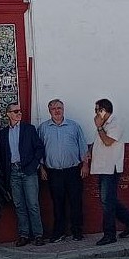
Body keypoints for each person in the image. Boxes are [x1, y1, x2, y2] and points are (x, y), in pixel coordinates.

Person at [37, 98, 89, 242]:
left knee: (75, 202)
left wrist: (85, 165)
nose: (57, 111)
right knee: (57, 203)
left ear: (63, 109)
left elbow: (83, 147)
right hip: (53, 173)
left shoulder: (74, 126)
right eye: (53, 109)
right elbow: (39, 151)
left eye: (59, 108)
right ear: (49, 111)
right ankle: (59, 232)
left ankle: (77, 231)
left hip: (73, 171)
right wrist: (41, 168)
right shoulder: (43, 128)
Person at [90, 98, 129, 246]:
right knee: (109, 201)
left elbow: (108, 141)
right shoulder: (104, 124)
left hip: (110, 168)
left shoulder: (115, 124)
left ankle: (109, 234)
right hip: (102, 168)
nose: (95, 113)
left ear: (103, 111)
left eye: (97, 110)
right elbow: (99, 143)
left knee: (107, 203)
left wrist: (99, 128)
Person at [0, 102, 46, 247]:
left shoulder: (29, 129)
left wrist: (33, 166)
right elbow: (2, 155)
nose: (19, 113)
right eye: (15, 111)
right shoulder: (3, 134)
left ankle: (38, 235)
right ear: (8, 114)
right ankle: (24, 234)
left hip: (28, 170)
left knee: (33, 204)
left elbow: (39, 148)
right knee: (19, 205)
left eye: (20, 111)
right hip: (13, 171)